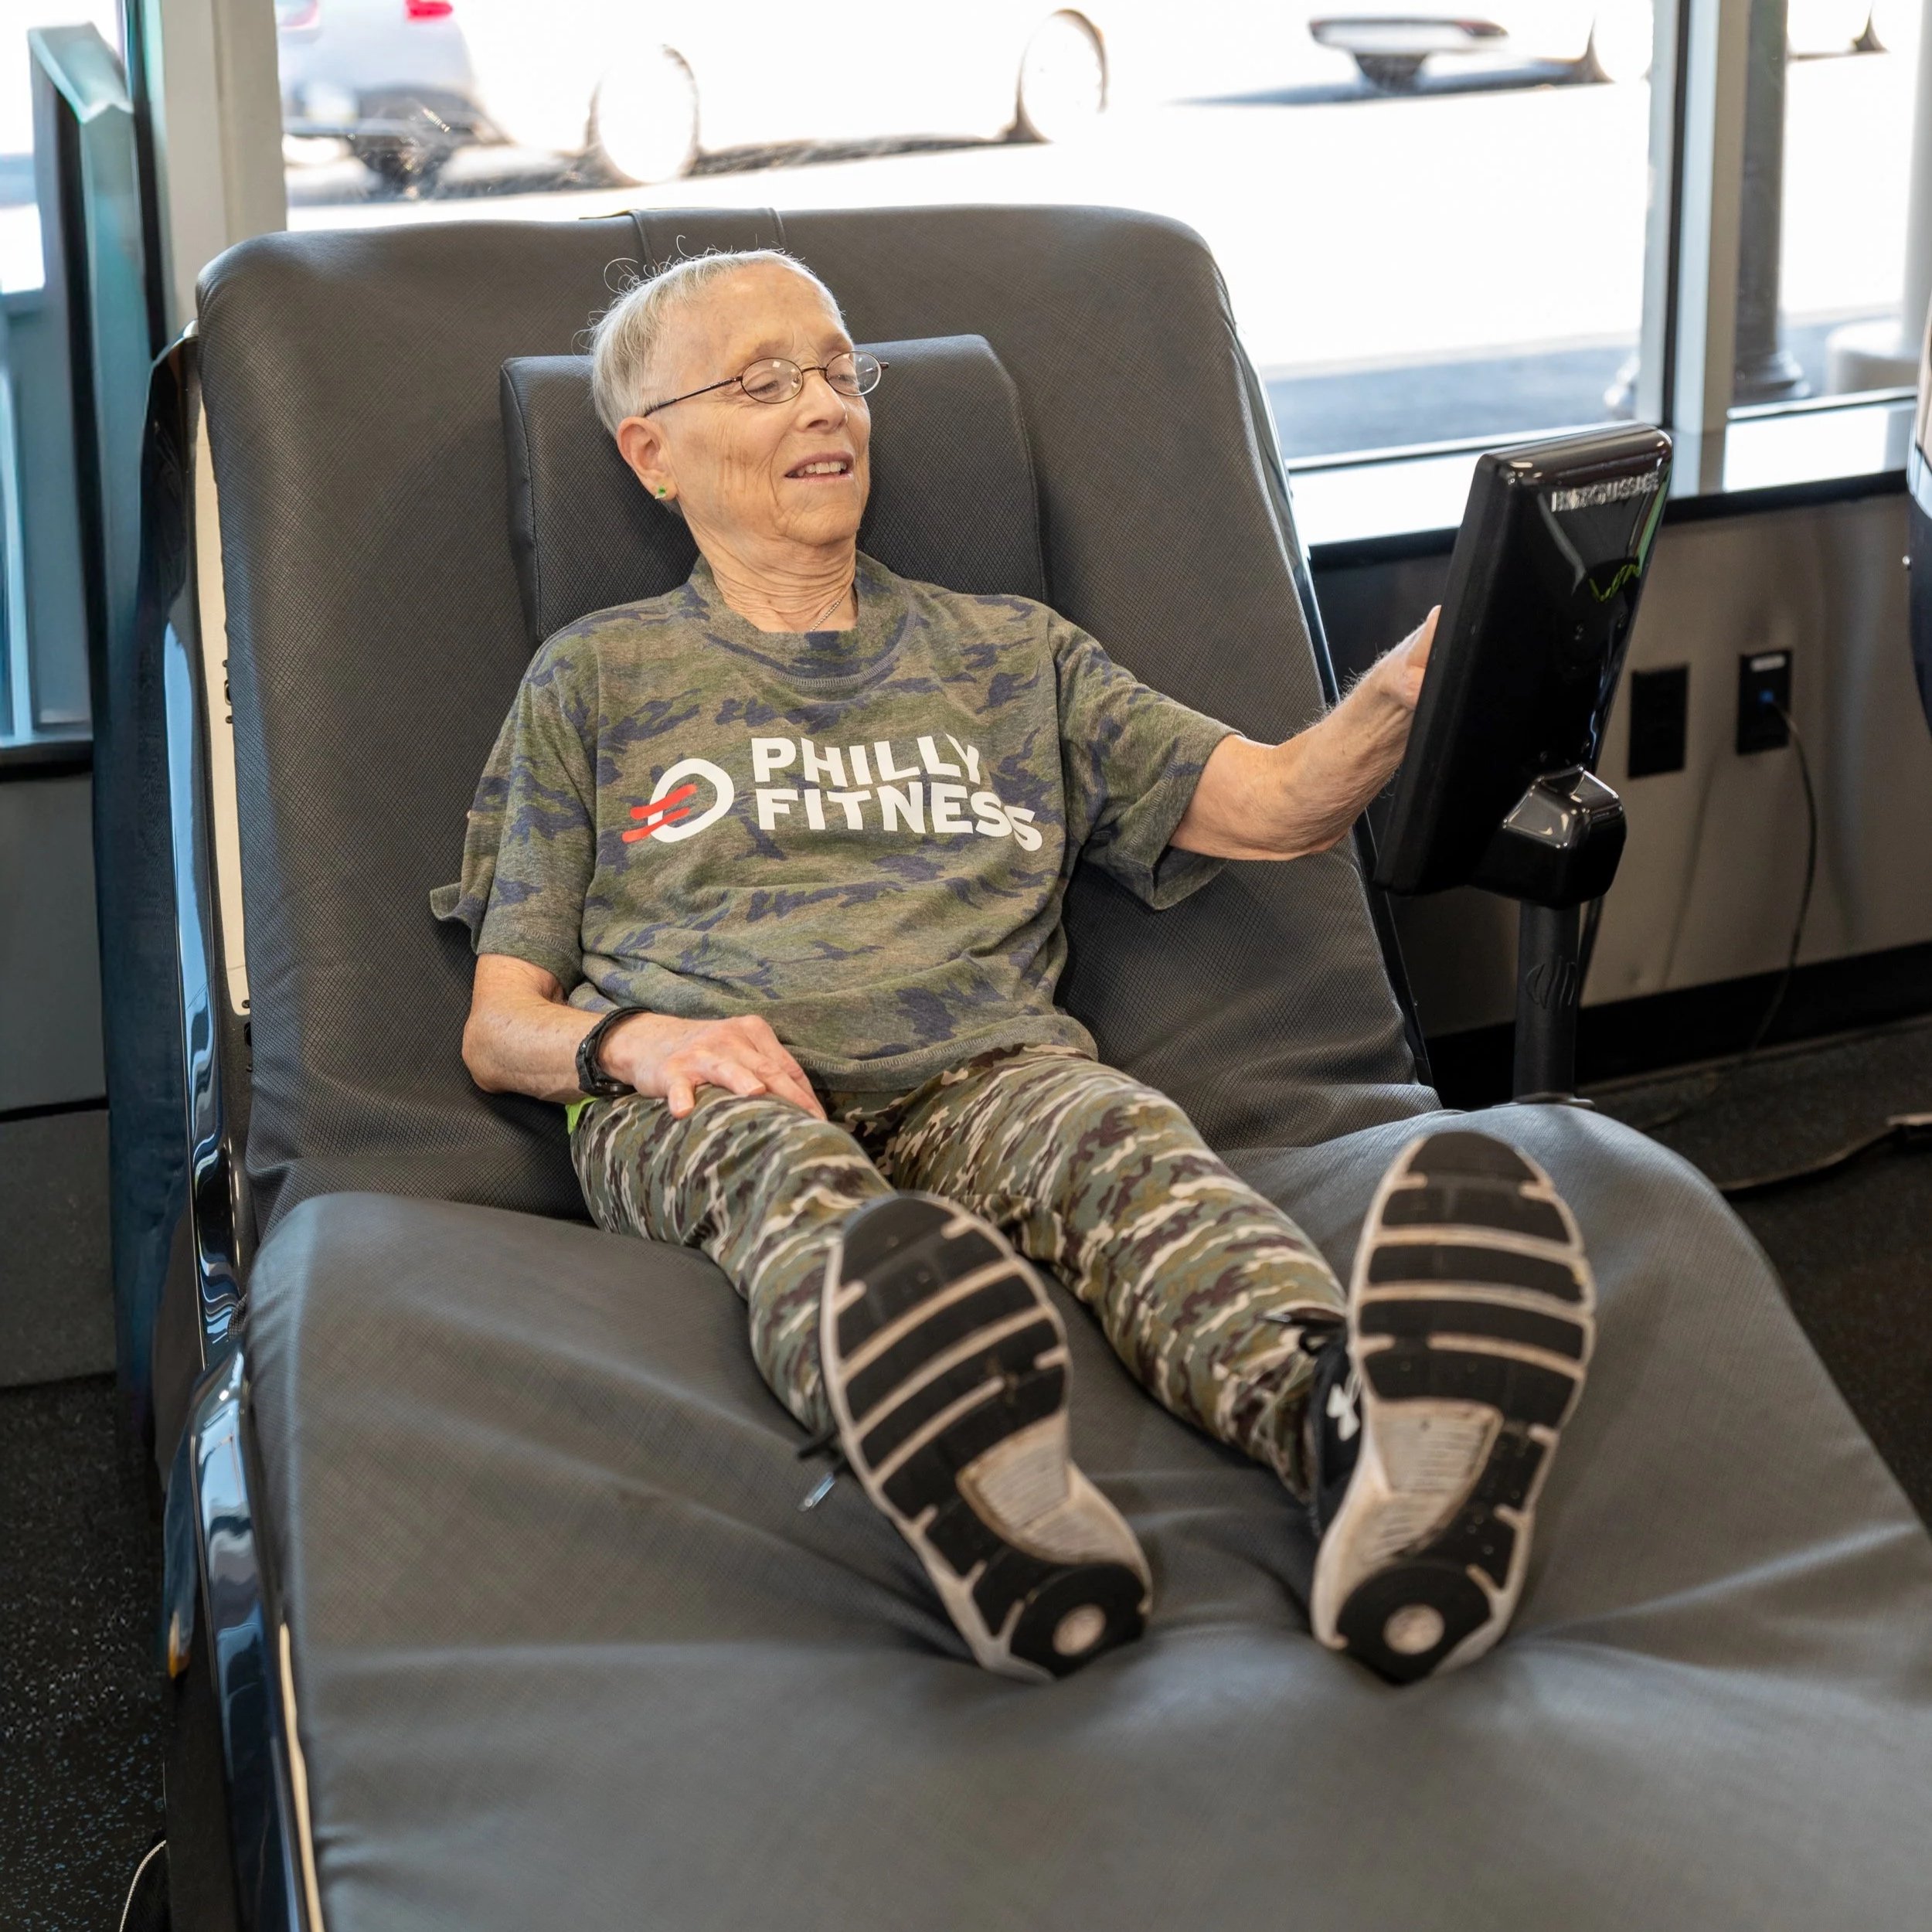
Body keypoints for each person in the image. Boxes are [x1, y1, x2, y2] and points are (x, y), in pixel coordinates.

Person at [436, 248, 1594, 1686]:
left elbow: (1281, 805)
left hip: (984, 1073)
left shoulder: (1014, 657)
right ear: (652, 453)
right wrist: (639, 1047)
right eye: (763, 380)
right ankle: (979, 1479)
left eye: (840, 368)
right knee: (807, 1201)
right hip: (717, 1090)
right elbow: (504, 1028)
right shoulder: (594, 681)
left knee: (1119, 1138)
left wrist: (1413, 690)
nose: (826, 406)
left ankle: (1361, 1439)